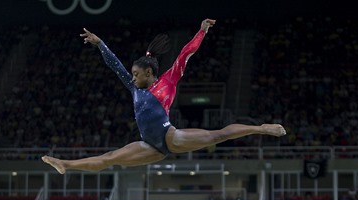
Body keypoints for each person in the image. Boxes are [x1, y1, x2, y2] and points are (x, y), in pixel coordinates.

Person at [42, 18, 286, 174]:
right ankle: (65, 164)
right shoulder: (135, 88)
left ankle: (261, 128)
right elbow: (114, 65)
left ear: (149, 72)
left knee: (217, 135)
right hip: (149, 146)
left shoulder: (168, 80)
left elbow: (185, 53)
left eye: (137, 74)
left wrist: (201, 31)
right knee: (109, 159)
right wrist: (100, 43)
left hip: (170, 137)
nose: (133, 77)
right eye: (133, 74)